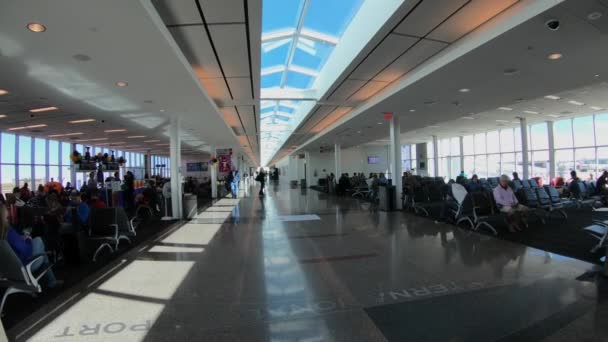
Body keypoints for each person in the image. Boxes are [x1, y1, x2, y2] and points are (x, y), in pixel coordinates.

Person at [1, 204, 62, 288]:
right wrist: (28, 239)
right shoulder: (9, 232)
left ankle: (52, 280)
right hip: (24, 269)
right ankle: (52, 279)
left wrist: (20, 239)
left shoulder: (4, 235)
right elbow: (26, 251)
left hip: (8, 272)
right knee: (38, 241)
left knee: (41, 250)